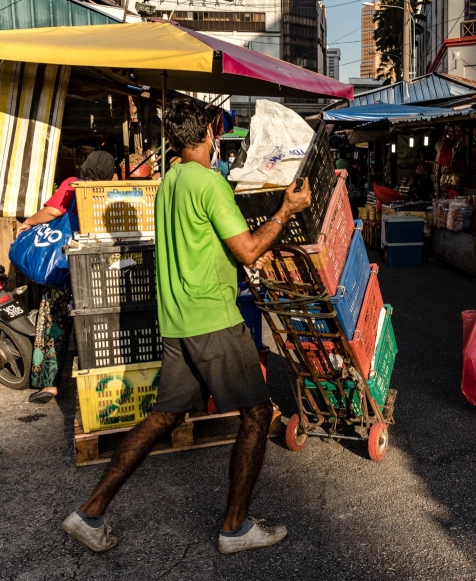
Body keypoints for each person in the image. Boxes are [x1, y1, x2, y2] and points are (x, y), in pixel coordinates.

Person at [62, 98, 312, 554]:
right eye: (217, 132)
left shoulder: (170, 182)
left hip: (177, 323)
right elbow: (249, 250)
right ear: (209, 134)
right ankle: (235, 528)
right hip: (212, 320)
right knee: (257, 413)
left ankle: (89, 513)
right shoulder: (210, 184)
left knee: (162, 417)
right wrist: (286, 211)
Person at [17, 151, 117, 404]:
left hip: (65, 265)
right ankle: (103, 378)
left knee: (53, 321)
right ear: (110, 173)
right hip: (98, 269)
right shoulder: (113, 191)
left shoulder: (73, 185)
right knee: (99, 323)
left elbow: (52, 211)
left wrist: (28, 222)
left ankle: (48, 385)